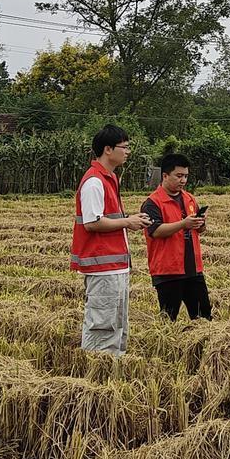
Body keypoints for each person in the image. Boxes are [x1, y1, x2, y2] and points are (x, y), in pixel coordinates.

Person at [71, 125, 150, 354]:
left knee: (117, 326)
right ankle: (97, 370)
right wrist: (127, 222)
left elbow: (107, 218)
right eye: (124, 147)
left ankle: (112, 369)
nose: (128, 152)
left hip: (114, 267)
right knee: (103, 328)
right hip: (102, 268)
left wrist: (130, 220)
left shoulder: (109, 178)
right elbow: (92, 222)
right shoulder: (94, 182)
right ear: (108, 149)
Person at [140, 152, 212, 320]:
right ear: (165, 176)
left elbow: (199, 230)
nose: (183, 180)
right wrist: (183, 224)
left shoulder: (189, 199)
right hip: (168, 271)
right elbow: (155, 231)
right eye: (179, 176)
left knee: (204, 317)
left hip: (193, 269)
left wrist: (201, 223)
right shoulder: (152, 203)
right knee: (168, 319)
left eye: (186, 176)